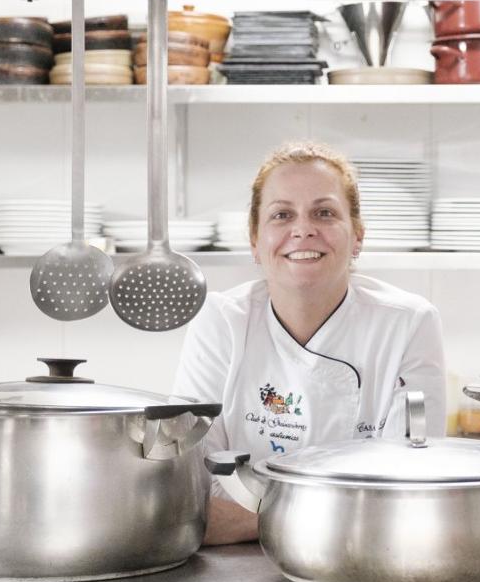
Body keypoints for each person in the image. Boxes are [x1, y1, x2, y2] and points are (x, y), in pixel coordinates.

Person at [174, 141, 447, 545]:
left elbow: (406, 495)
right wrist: (340, 511)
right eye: (282, 214)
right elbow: (186, 497)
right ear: (254, 240)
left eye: (324, 213)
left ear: (357, 236)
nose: (303, 230)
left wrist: (251, 514)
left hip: (367, 557)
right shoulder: (221, 321)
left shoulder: (408, 323)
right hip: (234, 568)